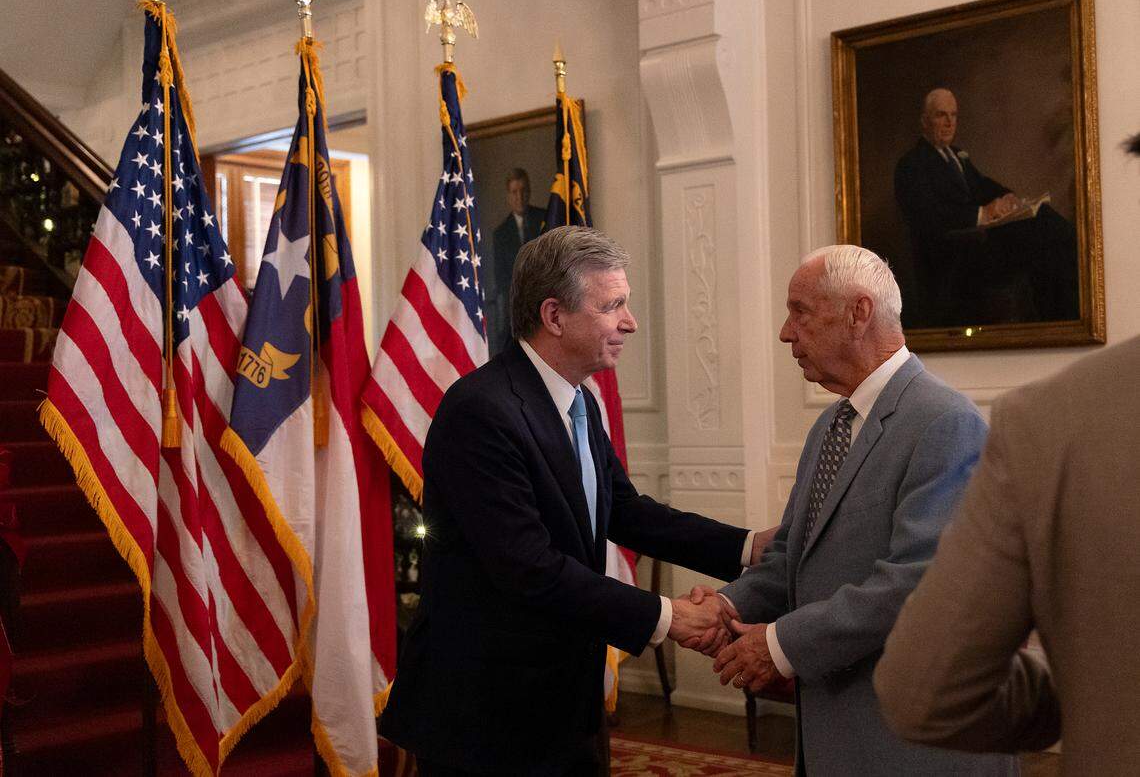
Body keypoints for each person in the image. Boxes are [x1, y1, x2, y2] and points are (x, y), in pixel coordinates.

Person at [380, 226, 761, 776]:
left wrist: (748, 548)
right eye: (614, 307)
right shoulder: (482, 411)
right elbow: (528, 567)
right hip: (488, 713)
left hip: (563, 699)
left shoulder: (576, 398)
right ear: (555, 317)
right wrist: (666, 616)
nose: (630, 322)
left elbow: (625, 512)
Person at [690, 245, 1017, 775]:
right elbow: (790, 558)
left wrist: (778, 643)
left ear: (859, 313)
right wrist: (726, 608)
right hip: (837, 731)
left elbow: (919, 581)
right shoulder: (830, 427)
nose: (785, 332)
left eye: (800, 311)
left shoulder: (945, 422)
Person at [873, 135, 1140, 773]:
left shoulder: (1041, 422)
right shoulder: (919, 166)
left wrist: (1093, 683)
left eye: (802, 313)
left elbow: (926, 688)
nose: (785, 331)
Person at [894, 88, 1078, 326]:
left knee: (1045, 220)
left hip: (978, 244)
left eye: (954, 115)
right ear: (925, 121)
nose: (950, 123)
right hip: (954, 256)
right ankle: (1063, 316)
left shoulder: (955, 155)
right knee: (1041, 233)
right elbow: (928, 217)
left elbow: (982, 186)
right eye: (941, 115)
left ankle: (1063, 313)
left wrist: (1006, 196)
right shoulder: (912, 164)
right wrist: (982, 213)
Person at [487, 168, 545, 354]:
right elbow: (501, 276)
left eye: (523, 191)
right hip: (516, 307)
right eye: (514, 192)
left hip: (545, 299)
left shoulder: (544, 220)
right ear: (508, 197)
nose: (519, 197)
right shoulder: (501, 233)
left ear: (529, 192)